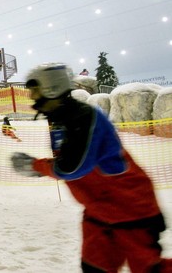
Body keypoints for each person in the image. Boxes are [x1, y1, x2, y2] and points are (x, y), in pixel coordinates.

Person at [11, 62, 172, 273]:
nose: (31, 97)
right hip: (99, 213)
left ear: (52, 88)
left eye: (35, 90)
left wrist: (36, 166)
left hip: (132, 209)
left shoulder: (83, 117)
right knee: (94, 268)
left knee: (149, 269)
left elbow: (72, 167)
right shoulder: (61, 119)